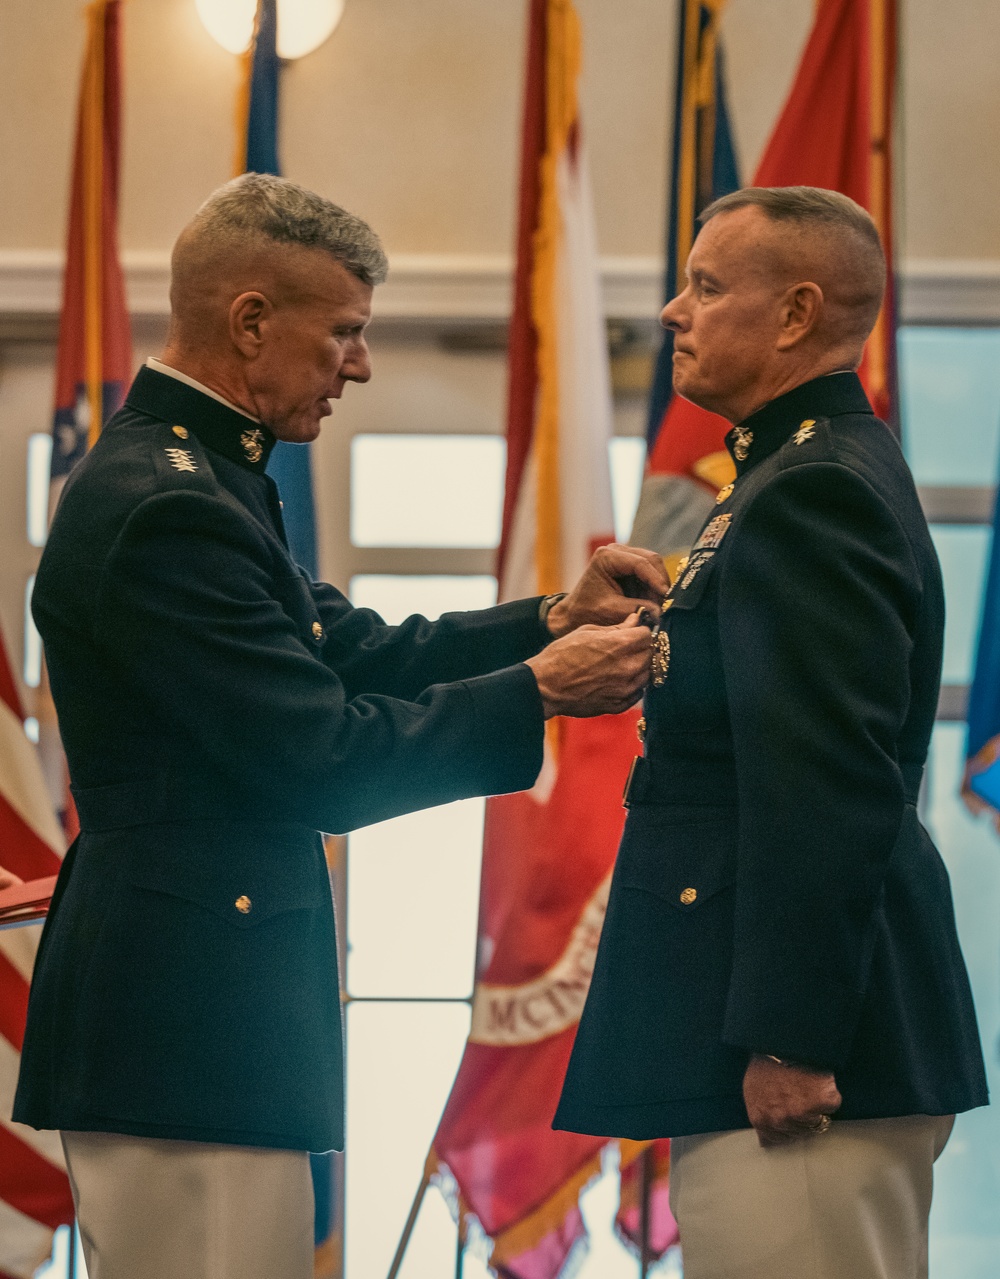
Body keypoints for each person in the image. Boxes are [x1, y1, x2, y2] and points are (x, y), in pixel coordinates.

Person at [13, 173, 669, 1279]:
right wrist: (541, 690)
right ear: (252, 320)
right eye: (346, 333)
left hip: (204, 1004)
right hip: (188, 1020)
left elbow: (348, 648)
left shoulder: (206, 477)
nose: (358, 364)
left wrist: (550, 618)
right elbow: (320, 757)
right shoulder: (170, 502)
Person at [554, 186, 988, 1279]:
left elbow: (824, 781)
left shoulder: (812, 491)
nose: (670, 312)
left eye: (704, 286)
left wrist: (791, 1034)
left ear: (795, 315)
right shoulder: (788, 472)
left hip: (807, 1043)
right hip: (769, 1010)